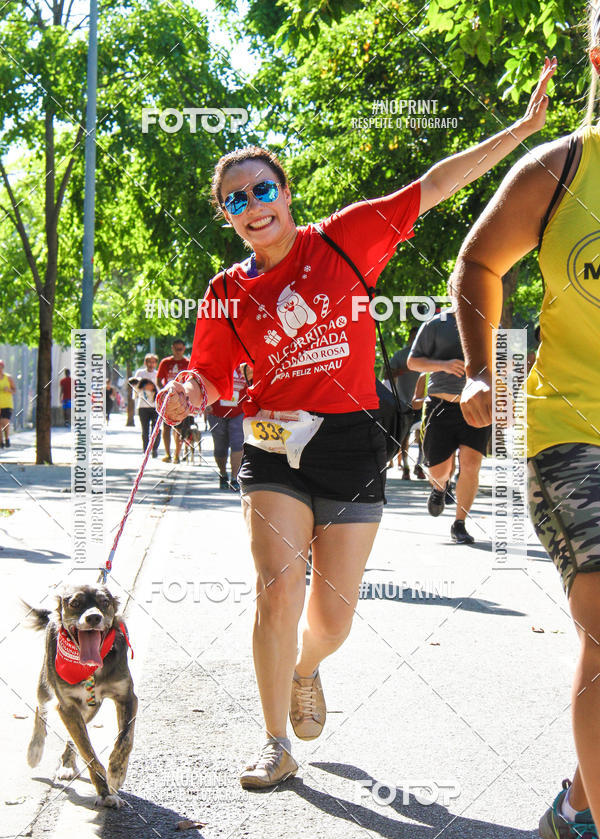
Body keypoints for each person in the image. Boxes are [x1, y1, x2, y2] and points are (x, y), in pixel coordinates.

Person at [161, 60, 555, 790]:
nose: (253, 205)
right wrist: (188, 389)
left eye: (264, 189)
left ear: (286, 194)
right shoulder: (224, 291)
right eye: (236, 199)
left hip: (350, 442)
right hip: (273, 446)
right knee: (276, 588)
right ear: (226, 215)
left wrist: (520, 132)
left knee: (333, 620)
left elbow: (434, 184)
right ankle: (276, 741)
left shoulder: (343, 240)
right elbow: (211, 377)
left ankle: (307, 665)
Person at [453, 11, 600, 839]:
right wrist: (478, 369)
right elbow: (478, 262)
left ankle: (580, 805)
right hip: (571, 429)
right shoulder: (563, 168)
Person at [407, 307, 489, 543]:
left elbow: (501, 362)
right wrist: (443, 365)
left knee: (471, 465)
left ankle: (459, 524)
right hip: (440, 405)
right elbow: (413, 362)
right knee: (438, 471)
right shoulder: (435, 324)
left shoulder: (488, 321)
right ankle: (440, 487)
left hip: (475, 404)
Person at [206, 365, 247, 490]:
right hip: (216, 412)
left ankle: (235, 478)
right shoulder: (218, 362)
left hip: (239, 412)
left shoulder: (246, 363)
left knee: (238, 444)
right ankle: (223, 474)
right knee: (220, 447)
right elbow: (205, 382)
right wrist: (206, 403)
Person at [390, 326, 420, 478]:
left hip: (422, 401)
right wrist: (404, 370)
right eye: (413, 338)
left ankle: (420, 465)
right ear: (409, 339)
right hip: (403, 402)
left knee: (424, 436)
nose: (415, 341)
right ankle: (406, 467)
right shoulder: (400, 355)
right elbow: (389, 373)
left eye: (418, 338)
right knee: (405, 437)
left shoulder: (426, 356)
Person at [157, 340, 190, 463]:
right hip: (168, 399)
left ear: (184, 349)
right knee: (166, 427)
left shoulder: (188, 363)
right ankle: (167, 454)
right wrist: (163, 392)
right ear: (172, 348)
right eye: (176, 349)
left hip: (182, 400)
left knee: (179, 428)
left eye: (180, 349)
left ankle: (177, 455)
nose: (178, 351)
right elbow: (159, 379)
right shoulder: (165, 362)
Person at [132, 354, 160, 457]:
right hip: (143, 406)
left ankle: (155, 449)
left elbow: (160, 388)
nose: (151, 364)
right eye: (149, 362)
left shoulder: (158, 374)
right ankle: (146, 450)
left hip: (155, 406)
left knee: (156, 429)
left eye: (153, 362)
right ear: (145, 363)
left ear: (156, 363)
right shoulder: (140, 373)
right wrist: (144, 388)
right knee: (145, 429)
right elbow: (135, 387)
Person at [0, 360, 16, 448]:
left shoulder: (8, 378)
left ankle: (7, 438)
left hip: (7, 404)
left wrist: (9, 390)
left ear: (3, 368)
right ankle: (1, 442)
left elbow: (14, 390)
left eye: (1, 367)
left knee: (5, 422)